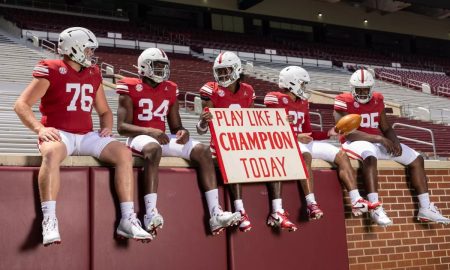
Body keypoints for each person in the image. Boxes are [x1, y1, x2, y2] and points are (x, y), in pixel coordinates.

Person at [14, 27, 151, 246]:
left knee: (123, 153)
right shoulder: (51, 69)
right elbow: (21, 105)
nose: (90, 54)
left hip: (86, 135)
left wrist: (106, 127)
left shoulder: (93, 73)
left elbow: (104, 111)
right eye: (87, 50)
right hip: (60, 133)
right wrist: (40, 129)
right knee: (51, 153)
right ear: (74, 48)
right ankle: (49, 220)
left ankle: (127, 219)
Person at [116, 48, 241, 236]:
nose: (161, 70)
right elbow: (122, 126)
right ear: (144, 67)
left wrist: (182, 133)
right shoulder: (131, 86)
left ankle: (215, 213)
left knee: (203, 151)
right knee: (153, 148)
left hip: (161, 137)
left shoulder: (170, 88)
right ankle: (150, 214)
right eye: (157, 66)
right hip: (138, 137)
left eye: (163, 66)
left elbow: (175, 126)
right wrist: (149, 130)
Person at [334, 68, 450, 226]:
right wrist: (380, 139)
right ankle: (375, 207)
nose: (362, 93)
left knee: (416, 159)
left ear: (371, 88)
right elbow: (347, 133)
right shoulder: (343, 100)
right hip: (354, 142)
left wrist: (394, 141)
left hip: (375, 141)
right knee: (369, 155)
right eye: (359, 90)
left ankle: (425, 208)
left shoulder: (377, 99)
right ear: (352, 88)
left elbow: (386, 127)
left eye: (365, 89)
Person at [198, 51, 297, 232]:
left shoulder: (248, 90)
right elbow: (201, 128)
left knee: (273, 156)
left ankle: (277, 210)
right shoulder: (211, 89)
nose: (222, 75)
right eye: (219, 71)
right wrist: (203, 120)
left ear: (236, 69)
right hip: (220, 146)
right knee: (234, 157)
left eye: (226, 70)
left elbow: (251, 122)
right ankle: (240, 210)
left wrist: (279, 122)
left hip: (243, 143)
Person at [264, 66, 378, 221]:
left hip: (302, 141)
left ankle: (356, 199)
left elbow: (308, 133)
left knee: (341, 154)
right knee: (306, 155)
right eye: (302, 83)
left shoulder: (303, 102)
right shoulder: (274, 98)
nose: (304, 87)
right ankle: (311, 203)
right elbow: (268, 127)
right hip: (286, 142)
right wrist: (296, 136)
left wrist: (328, 133)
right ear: (292, 83)